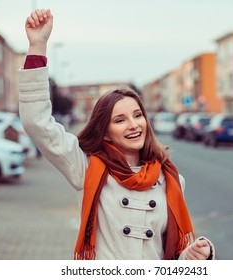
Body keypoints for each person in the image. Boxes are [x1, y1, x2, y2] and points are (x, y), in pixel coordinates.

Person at [19, 9, 215, 260]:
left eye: (137, 115)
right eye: (120, 120)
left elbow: (171, 253)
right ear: (106, 132)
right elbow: (37, 123)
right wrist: (38, 46)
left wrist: (195, 254)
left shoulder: (171, 180)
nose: (133, 125)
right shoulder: (86, 167)